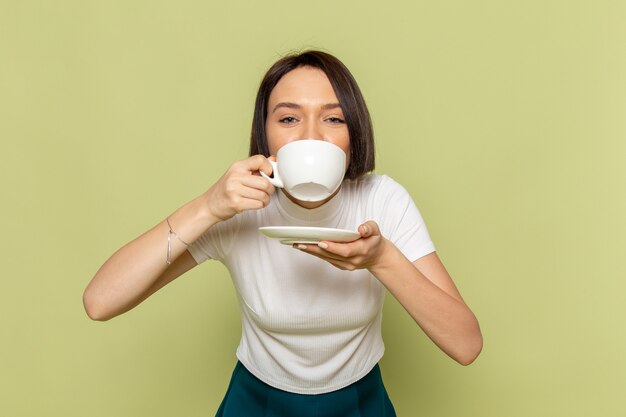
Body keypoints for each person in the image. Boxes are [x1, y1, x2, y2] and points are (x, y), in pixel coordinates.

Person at [83, 50, 483, 416]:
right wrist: (207, 207)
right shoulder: (237, 210)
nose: (311, 135)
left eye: (333, 117)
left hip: (359, 402)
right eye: (289, 118)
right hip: (257, 402)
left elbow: (466, 345)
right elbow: (100, 301)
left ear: (353, 133)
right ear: (266, 134)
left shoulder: (382, 199)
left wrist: (382, 259)